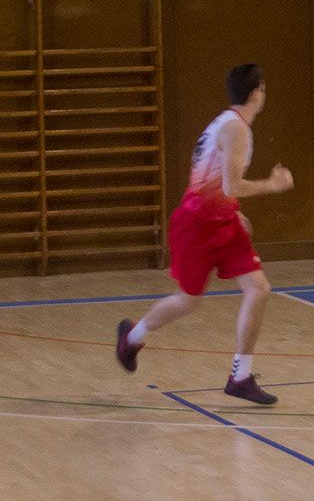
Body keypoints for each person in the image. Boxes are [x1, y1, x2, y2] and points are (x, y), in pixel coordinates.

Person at [114, 64, 293, 405]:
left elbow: (215, 181)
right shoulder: (235, 129)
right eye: (264, 90)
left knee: (259, 289)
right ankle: (132, 336)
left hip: (221, 221)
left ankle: (240, 376)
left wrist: (233, 210)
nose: (264, 95)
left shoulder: (229, 124)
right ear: (255, 94)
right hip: (196, 225)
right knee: (189, 301)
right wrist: (272, 185)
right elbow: (230, 184)